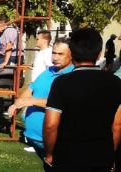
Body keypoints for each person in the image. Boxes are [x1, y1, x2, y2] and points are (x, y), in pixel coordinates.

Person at [43, 28, 121, 171]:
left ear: (71, 53)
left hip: (67, 156)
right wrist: (110, 154)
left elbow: (51, 125)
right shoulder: (115, 83)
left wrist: (49, 153)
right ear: (99, 54)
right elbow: (117, 125)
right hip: (101, 156)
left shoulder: (62, 83)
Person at [7, 37, 73, 162]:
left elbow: (65, 103)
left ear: (71, 55)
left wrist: (32, 101)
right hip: (34, 137)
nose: (55, 57)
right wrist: (17, 104)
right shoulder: (48, 71)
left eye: (60, 54)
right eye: (54, 53)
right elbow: (29, 90)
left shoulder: (72, 75)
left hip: (53, 140)